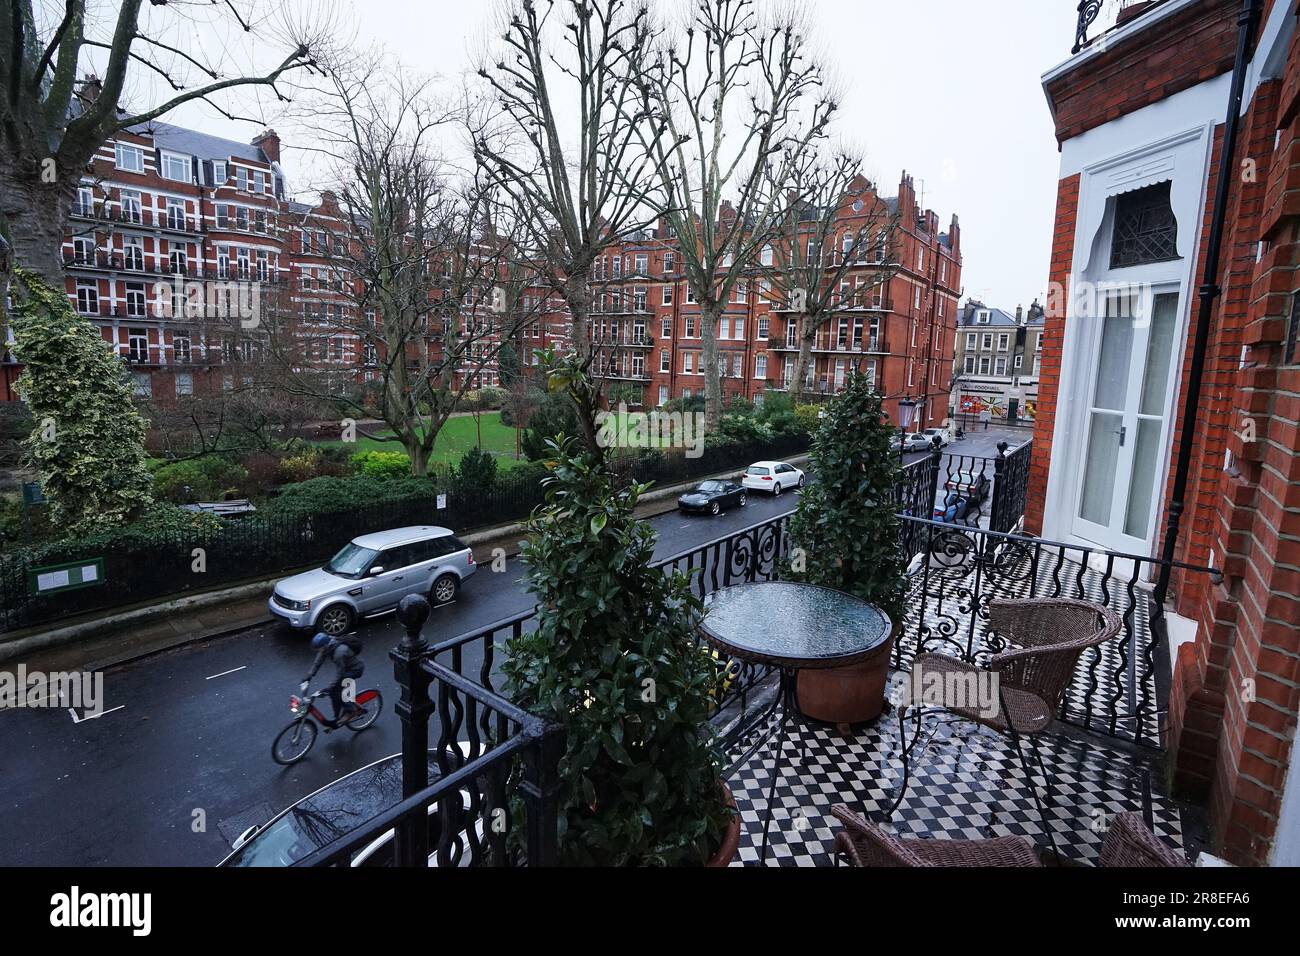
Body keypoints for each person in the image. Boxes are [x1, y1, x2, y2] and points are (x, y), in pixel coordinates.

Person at [303, 632, 365, 726]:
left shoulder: (339, 653)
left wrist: (329, 688)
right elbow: (318, 661)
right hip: (346, 667)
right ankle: (337, 717)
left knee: (335, 691)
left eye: (319, 649)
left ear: (324, 646)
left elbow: (340, 674)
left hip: (355, 670)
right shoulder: (327, 647)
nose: (318, 651)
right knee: (333, 692)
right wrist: (309, 676)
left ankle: (351, 711)